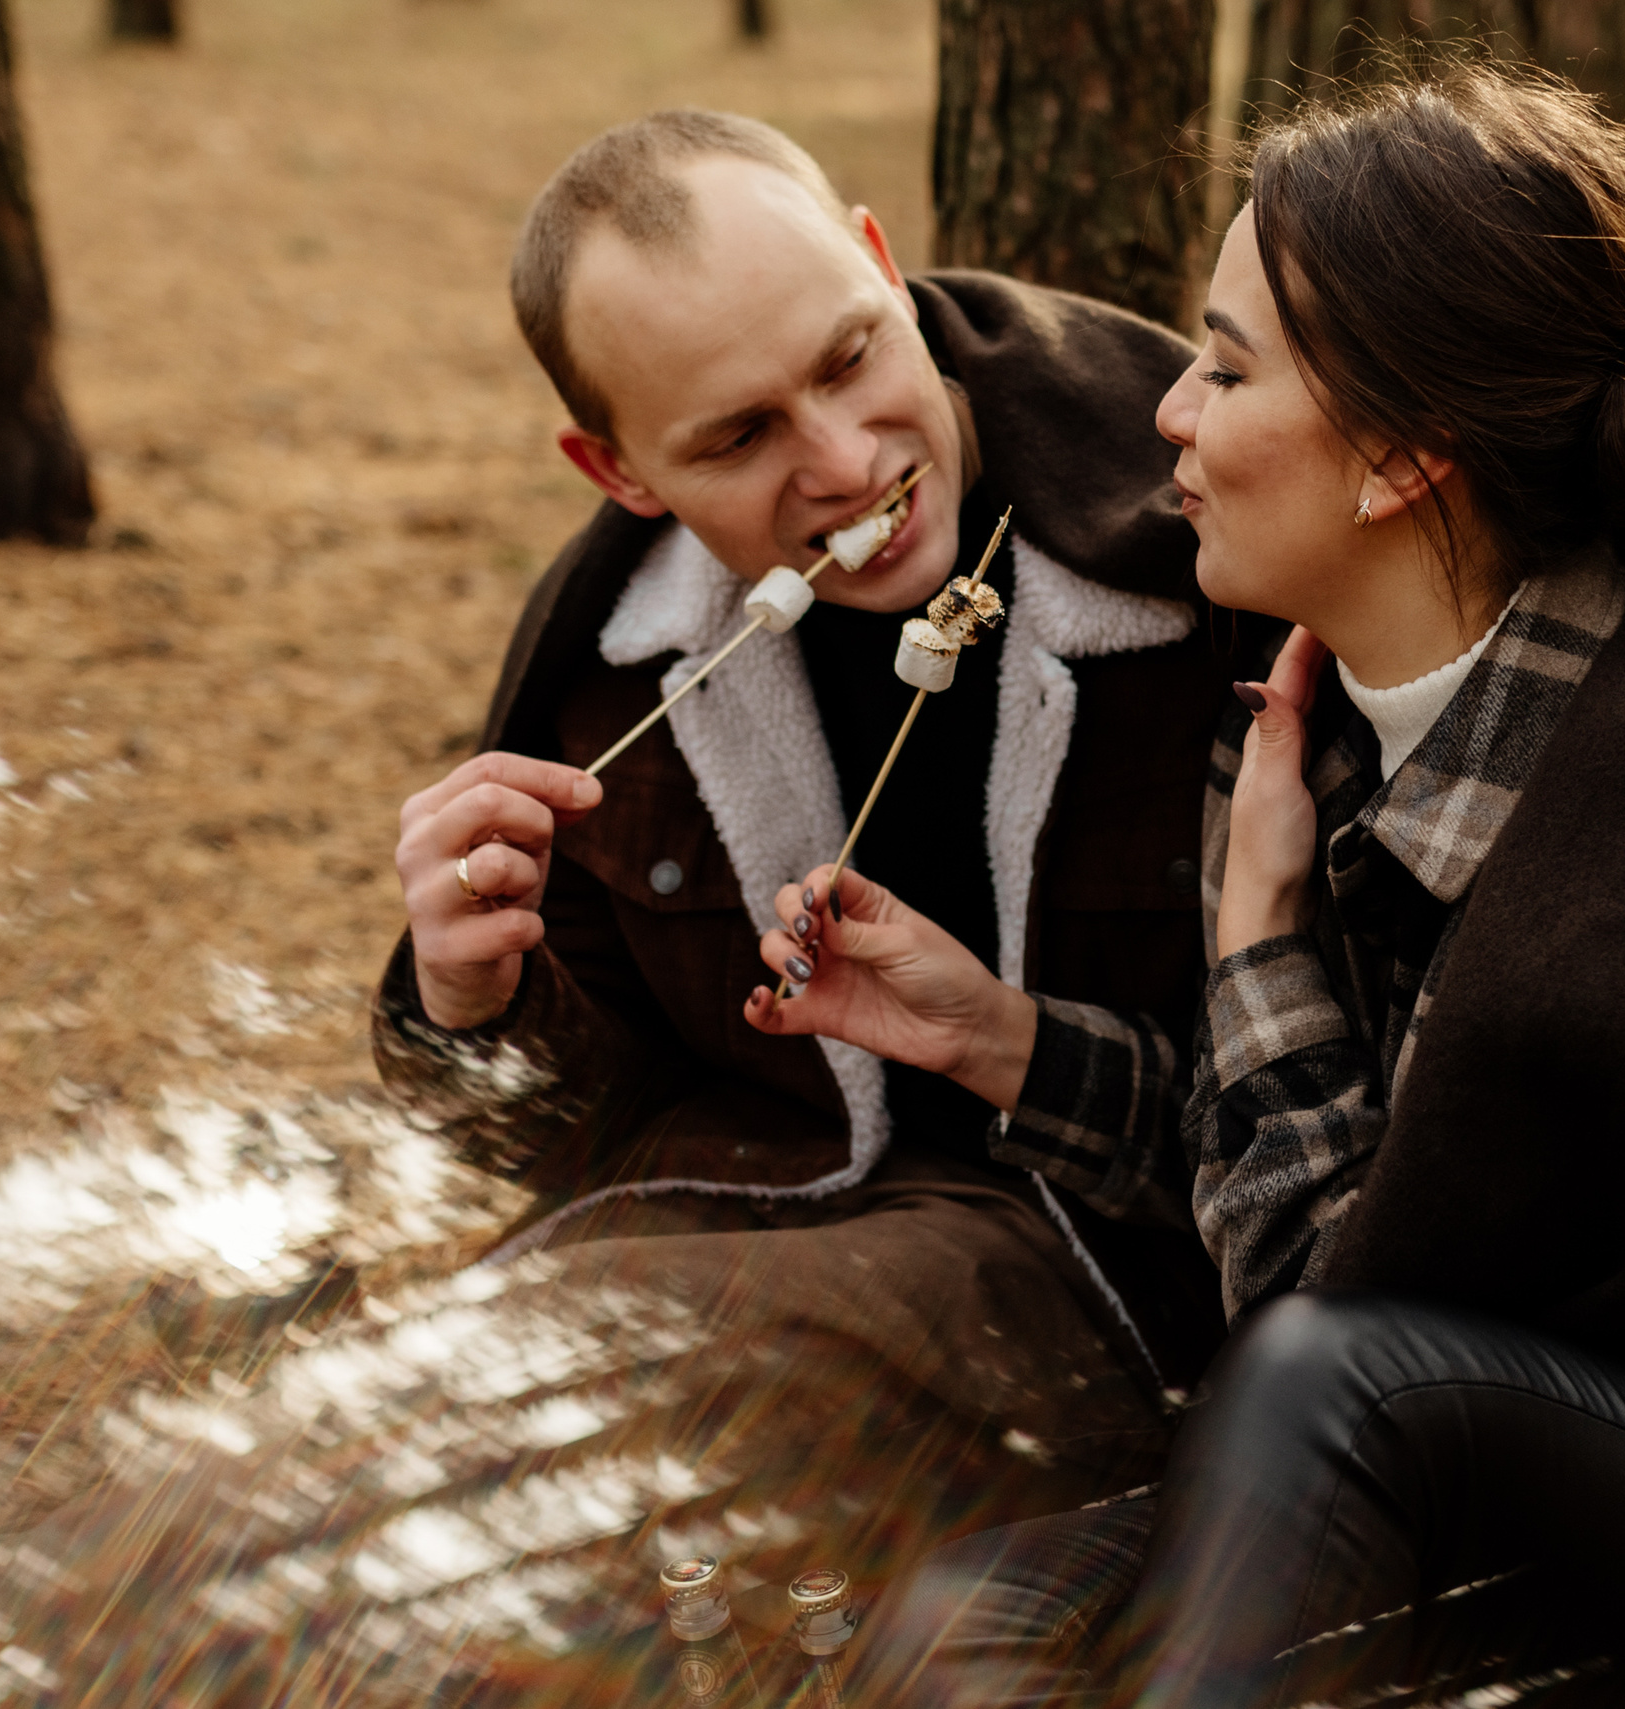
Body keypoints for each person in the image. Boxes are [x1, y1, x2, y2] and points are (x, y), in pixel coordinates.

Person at [750, 63, 1625, 1709]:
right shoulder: (1341, 706)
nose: (1170, 408)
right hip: (1506, 1463)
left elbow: (1328, 1327)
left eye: (1228, 371)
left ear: (1401, 460)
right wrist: (996, 1037)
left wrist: (1255, 938)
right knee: (974, 1614)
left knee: (1335, 1385)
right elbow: (1352, 1181)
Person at [371, 109, 1258, 1640]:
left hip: (1092, 1270)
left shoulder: (1205, 554)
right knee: (395, 1404)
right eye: (736, 436)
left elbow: (1330, 1136)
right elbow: (547, 1139)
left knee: (556, 1422)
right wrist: (470, 999)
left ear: (880, 262)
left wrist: (1004, 1041)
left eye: (852, 357)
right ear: (616, 467)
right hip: (738, 1231)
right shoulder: (610, 655)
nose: (845, 465)